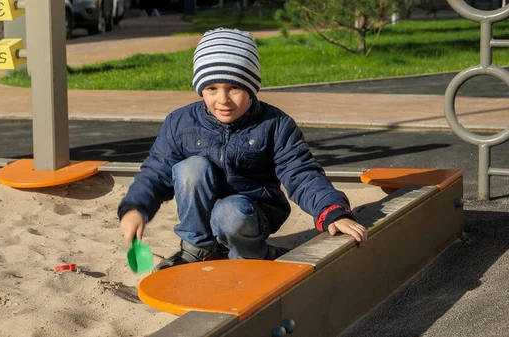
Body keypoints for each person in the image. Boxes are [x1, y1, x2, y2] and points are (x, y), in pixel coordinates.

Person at [118, 28, 367, 271]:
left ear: (251, 86)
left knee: (229, 212)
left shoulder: (275, 125)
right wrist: (136, 207)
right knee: (191, 168)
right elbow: (156, 171)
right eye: (212, 89)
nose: (223, 100)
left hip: (251, 211)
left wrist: (332, 211)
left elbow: (301, 172)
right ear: (200, 88)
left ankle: (254, 255)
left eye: (234, 88)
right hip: (205, 211)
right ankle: (198, 247)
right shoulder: (180, 123)